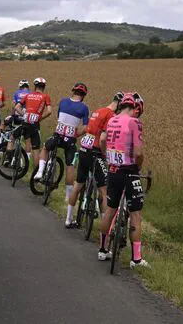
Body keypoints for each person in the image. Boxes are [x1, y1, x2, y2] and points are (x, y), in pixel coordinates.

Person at [97, 92, 146, 266]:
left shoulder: (112, 120)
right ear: (134, 107)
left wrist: (106, 156)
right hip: (129, 170)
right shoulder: (134, 122)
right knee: (135, 215)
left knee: (110, 210)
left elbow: (102, 139)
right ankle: (136, 259)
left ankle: (103, 250)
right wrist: (138, 166)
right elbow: (139, 153)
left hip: (113, 170)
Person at [66, 92, 122, 228]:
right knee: (103, 189)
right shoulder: (111, 115)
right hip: (95, 152)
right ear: (119, 105)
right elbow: (103, 138)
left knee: (78, 184)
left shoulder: (99, 110)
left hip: (84, 148)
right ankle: (106, 228)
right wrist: (105, 156)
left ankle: (68, 219)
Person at [36, 83, 90, 210]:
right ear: (83, 95)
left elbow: (60, 117)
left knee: (45, 148)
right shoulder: (84, 108)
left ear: (73, 92)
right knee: (70, 166)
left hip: (58, 135)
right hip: (70, 139)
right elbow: (86, 127)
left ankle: (40, 171)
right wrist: (76, 134)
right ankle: (67, 196)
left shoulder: (63, 102)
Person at [9, 78, 52, 173]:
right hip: (35, 125)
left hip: (25, 123)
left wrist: (23, 115)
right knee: (36, 149)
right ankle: (35, 174)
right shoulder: (45, 96)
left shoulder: (28, 95)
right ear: (44, 87)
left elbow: (16, 107)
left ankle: (10, 158)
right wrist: (39, 118)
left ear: (35, 86)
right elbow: (49, 111)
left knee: (12, 137)